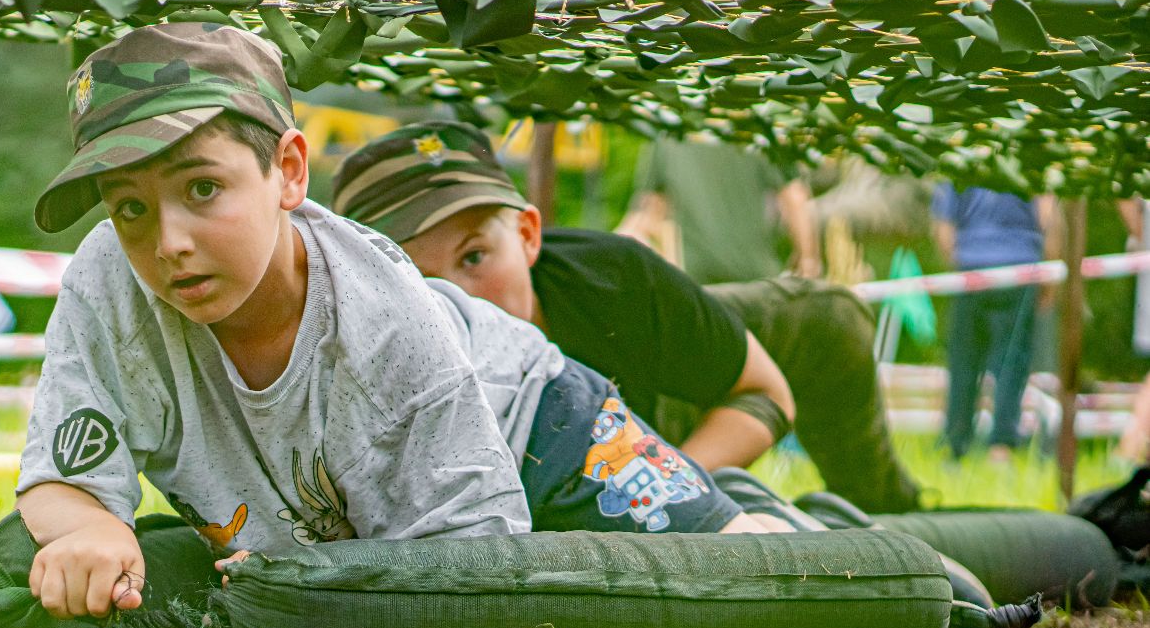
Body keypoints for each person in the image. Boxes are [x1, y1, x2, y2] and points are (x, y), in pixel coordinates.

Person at [0, 25, 808, 628]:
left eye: (202, 188)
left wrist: (310, 594)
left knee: (730, 566)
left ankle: (760, 508)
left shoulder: (386, 318)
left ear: (288, 172)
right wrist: (89, 525)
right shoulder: (105, 280)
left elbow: (476, 572)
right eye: (130, 207)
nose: (169, 242)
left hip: (540, 430)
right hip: (345, 524)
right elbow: (65, 476)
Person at [331, 120, 921, 512]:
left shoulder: (613, 280)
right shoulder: (346, 366)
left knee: (825, 316)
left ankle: (892, 512)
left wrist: (663, 485)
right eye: (418, 281)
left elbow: (765, 394)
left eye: (475, 257)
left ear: (529, 235)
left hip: (661, 400)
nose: (458, 297)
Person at [930, 185, 1058, 462]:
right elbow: (1047, 215)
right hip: (1021, 267)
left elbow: (943, 227)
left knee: (963, 361)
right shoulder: (1034, 159)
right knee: (1011, 362)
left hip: (970, 267)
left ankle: (956, 443)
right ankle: (1001, 445)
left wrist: (959, 266)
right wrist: (1049, 271)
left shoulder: (958, 161)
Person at [618, 136, 822, 284]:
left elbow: (645, 215)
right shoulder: (760, 128)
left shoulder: (669, 133)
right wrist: (808, 260)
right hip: (755, 282)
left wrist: (610, 253)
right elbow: (794, 197)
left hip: (700, 285)